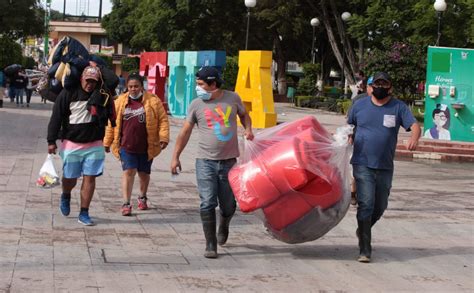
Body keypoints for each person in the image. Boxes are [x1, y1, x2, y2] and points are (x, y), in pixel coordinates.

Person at [170, 66, 254, 259]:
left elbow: (244, 115)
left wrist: (248, 129)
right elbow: (185, 131)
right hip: (205, 161)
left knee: (228, 205)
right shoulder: (196, 104)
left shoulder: (233, 98)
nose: (197, 88)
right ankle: (210, 243)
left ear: (213, 84)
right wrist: (175, 156)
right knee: (207, 202)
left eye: (200, 84)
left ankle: (224, 223)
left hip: (229, 162)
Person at [347, 72, 421, 263]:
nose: (380, 87)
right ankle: (365, 249)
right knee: (366, 203)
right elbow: (349, 126)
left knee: (380, 206)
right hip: (362, 162)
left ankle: (362, 229)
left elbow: (414, 126)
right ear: (370, 87)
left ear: (390, 88)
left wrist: (413, 138)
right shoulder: (359, 106)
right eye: (376, 84)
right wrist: (347, 137)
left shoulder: (398, 107)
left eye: (384, 84)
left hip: (385, 165)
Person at [47, 66, 111, 226]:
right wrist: (51, 141)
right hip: (72, 143)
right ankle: (66, 194)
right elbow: (56, 117)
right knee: (70, 178)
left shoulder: (101, 94)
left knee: (90, 178)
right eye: (88, 80)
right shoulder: (68, 93)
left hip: (95, 143)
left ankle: (84, 212)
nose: (90, 84)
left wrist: (97, 66)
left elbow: (114, 79)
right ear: (81, 78)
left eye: (93, 82)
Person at [103, 73, 169, 216]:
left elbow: (163, 120)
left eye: (136, 86)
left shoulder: (153, 101)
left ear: (141, 86)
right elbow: (111, 123)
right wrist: (107, 141)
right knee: (128, 172)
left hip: (147, 145)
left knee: (144, 174)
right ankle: (126, 203)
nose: (133, 89)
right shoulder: (119, 101)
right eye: (131, 86)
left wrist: (163, 137)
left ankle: (142, 196)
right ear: (127, 86)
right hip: (126, 146)